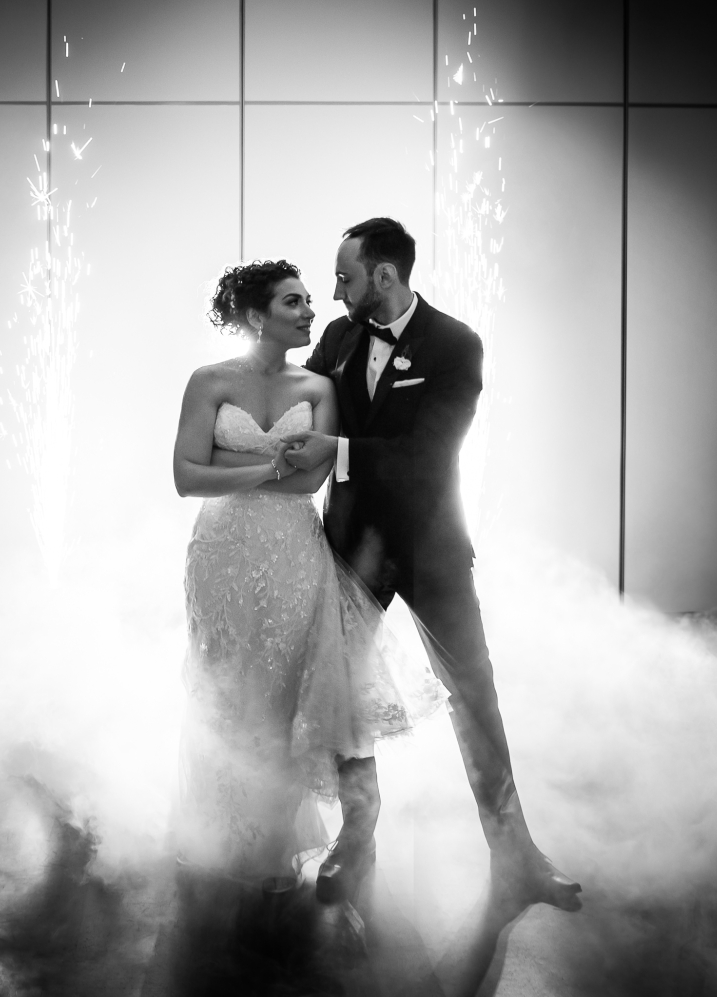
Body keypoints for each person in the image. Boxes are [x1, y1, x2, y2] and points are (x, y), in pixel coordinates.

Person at [280, 217, 583, 911]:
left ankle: (518, 858)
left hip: (431, 549)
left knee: (474, 693)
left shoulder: (456, 344)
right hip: (351, 544)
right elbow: (299, 406)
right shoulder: (337, 336)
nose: (334, 291)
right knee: (341, 695)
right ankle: (355, 844)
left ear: (384, 276)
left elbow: (428, 451)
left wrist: (338, 449)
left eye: (345, 277)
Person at [170, 259, 443, 884]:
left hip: (295, 551)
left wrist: (231, 462)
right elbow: (187, 476)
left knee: (284, 693)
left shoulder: (316, 387)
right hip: (221, 553)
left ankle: (272, 843)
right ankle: (221, 832)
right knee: (225, 685)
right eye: (294, 303)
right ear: (253, 316)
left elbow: (315, 476)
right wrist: (271, 470)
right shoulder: (207, 380)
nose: (311, 311)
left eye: (310, 301)